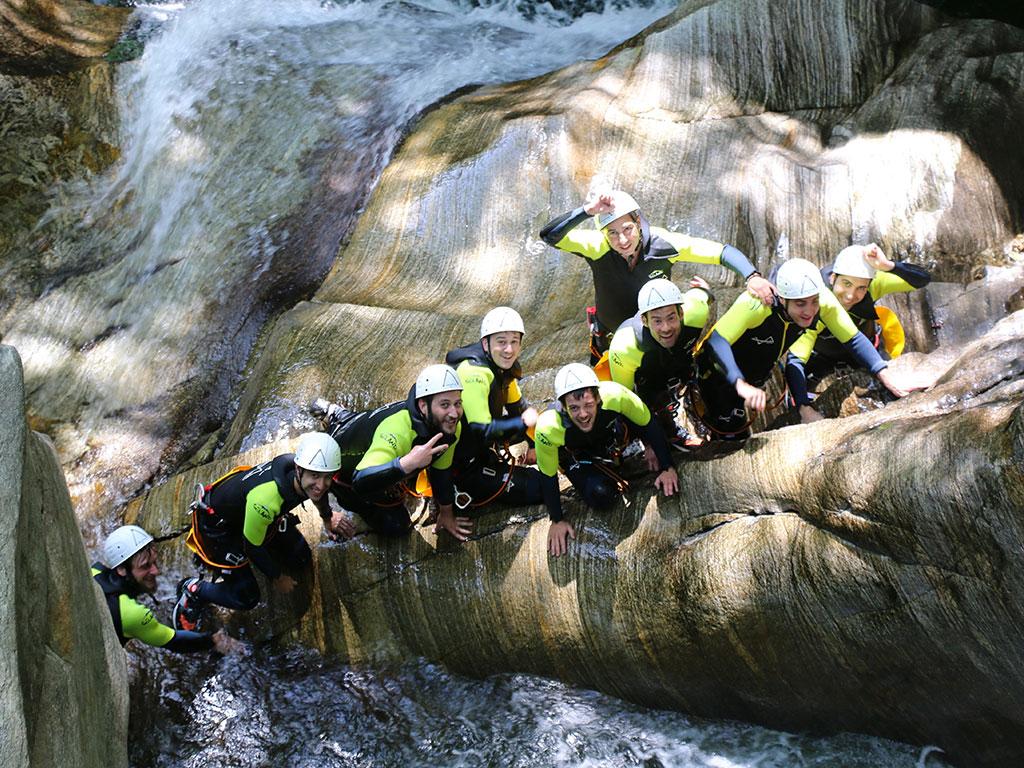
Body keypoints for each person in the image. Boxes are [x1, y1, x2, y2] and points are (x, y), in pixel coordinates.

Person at [539, 189, 774, 362]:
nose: (621, 240)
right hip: (611, 337)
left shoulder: (663, 244)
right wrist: (587, 211)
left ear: (638, 222)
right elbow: (549, 235)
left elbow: (720, 252)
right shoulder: (598, 246)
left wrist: (752, 275)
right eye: (613, 233)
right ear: (604, 233)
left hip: (659, 331)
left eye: (627, 229)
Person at [694, 258, 909, 439]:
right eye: (800, 304)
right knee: (729, 433)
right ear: (783, 298)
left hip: (754, 375)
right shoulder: (757, 304)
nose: (809, 311)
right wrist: (739, 383)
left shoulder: (822, 300)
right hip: (717, 373)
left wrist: (884, 372)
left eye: (813, 302)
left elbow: (853, 339)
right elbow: (717, 342)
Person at [171, 431, 341, 630]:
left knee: (300, 557)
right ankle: (194, 590)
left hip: (252, 517)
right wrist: (277, 576)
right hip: (221, 529)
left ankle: (263, 536)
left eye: (327, 477)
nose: (321, 485)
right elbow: (252, 546)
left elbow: (317, 493)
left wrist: (327, 518)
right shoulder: (267, 500)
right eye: (314, 476)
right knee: (247, 597)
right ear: (299, 469)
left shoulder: (300, 477)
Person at [536, 363, 679, 557]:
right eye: (574, 408)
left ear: (598, 398)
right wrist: (557, 520)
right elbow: (547, 475)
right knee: (601, 495)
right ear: (563, 407)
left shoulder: (615, 395)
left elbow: (648, 422)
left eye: (588, 405)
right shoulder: (549, 427)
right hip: (576, 453)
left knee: (652, 423)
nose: (583, 414)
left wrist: (666, 465)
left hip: (605, 435)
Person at [320, 364, 473, 541]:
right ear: (423, 405)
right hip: (343, 468)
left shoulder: (450, 425)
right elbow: (361, 480)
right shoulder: (397, 431)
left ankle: (340, 415)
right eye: (445, 405)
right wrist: (408, 463)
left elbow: (441, 472)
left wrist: (446, 513)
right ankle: (337, 420)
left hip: (364, 430)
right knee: (397, 526)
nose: (454, 413)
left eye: (457, 403)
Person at [786, 243, 932, 422]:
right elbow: (796, 360)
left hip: (866, 350)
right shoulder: (817, 301)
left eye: (860, 288)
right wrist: (803, 408)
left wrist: (888, 265)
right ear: (832, 278)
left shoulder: (874, 284)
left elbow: (923, 279)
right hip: (821, 357)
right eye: (846, 284)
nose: (850, 296)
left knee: (892, 389)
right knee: (797, 399)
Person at [444, 307, 544, 510]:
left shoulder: (501, 367)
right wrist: (522, 423)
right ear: (485, 343)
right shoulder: (474, 374)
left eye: (514, 341)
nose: (509, 349)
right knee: (540, 487)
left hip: (482, 447)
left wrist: (534, 444)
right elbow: (480, 429)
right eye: (501, 342)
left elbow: (518, 407)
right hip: (461, 464)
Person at [92, 524, 241, 654]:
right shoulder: (131, 614)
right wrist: (214, 641)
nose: (156, 571)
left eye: (154, 562)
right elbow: (174, 641)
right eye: (145, 566)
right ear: (122, 569)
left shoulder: (94, 572)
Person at [608, 277, 712, 447]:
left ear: (681, 313)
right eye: (657, 321)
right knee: (653, 400)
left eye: (671, 318)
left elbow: (703, 295)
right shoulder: (625, 347)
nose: (666, 328)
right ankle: (670, 431)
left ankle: (703, 415)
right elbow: (625, 401)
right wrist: (648, 443)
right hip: (647, 377)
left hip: (677, 361)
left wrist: (706, 291)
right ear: (644, 321)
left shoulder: (697, 310)